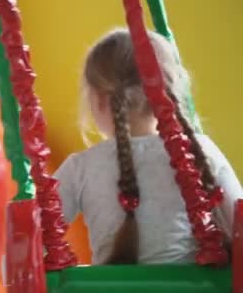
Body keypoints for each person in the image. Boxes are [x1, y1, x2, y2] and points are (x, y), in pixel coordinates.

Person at [54, 28, 243, 265]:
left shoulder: (79, 169)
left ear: (99, 99)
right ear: (168, 94)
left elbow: (25, 247)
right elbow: (238, 224)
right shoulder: (198, 152)